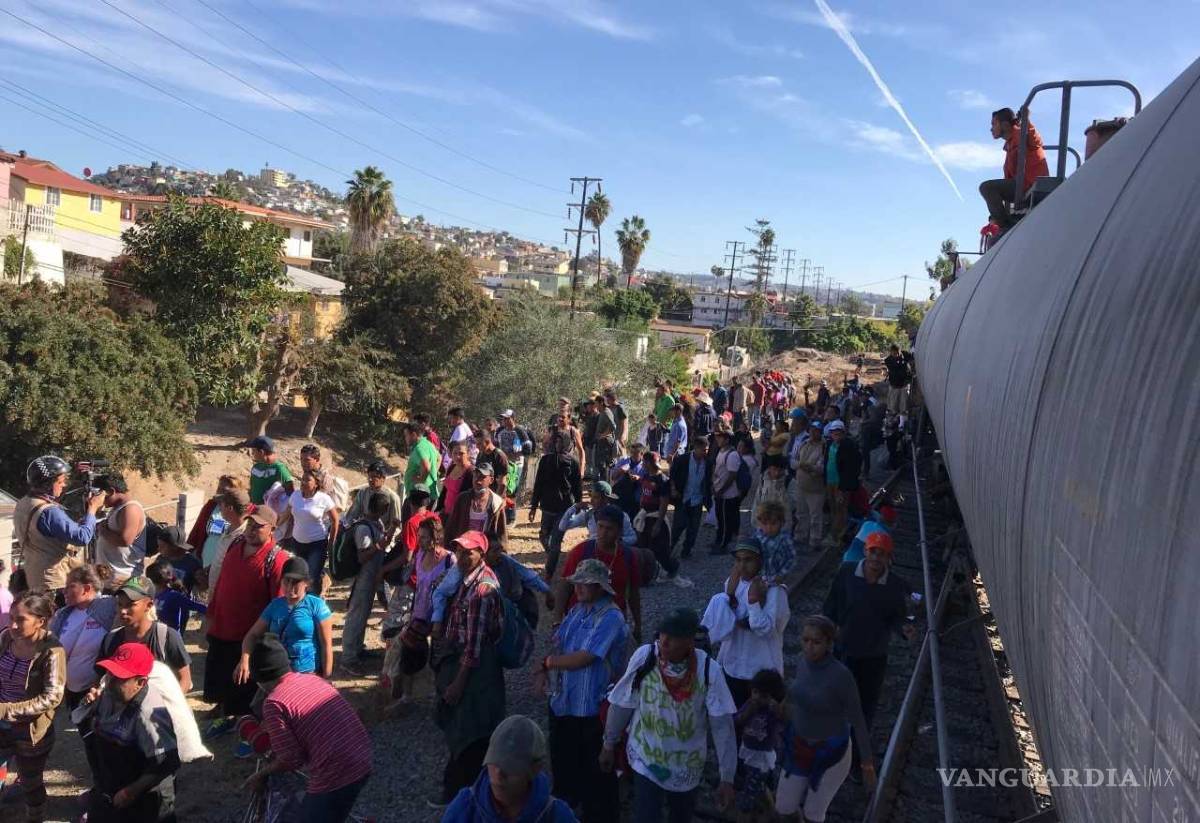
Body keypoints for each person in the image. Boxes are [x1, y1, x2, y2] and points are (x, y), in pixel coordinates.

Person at [602, 607, 737, 822]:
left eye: (673, 638)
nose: (663, 642)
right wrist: (608, 744)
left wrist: (727, 777)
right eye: (662, 634)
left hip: (686, 769)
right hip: (645, 759)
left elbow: (722, 726)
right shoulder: (644, 657)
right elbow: (622, 704)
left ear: (689, 641)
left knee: (680, 817)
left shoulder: (709, 671)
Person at [244, 635, 372, 822]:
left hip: (337, 771)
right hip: (363, 754)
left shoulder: (274, 702)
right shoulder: (313, 680)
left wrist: (262, 774)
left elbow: (291, 759)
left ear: (260, 679)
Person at [536, 560, 626, 822]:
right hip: (565, 702)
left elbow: (586, 657)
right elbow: (559, 643)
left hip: (592, 708)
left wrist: (548, 664)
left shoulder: (611, 617)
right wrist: (543, 671)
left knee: (596, 774)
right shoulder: (577, 611)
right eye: (577, 582)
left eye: (584, 583)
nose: (578, 587)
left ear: (599, 587)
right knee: (565, 764)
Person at [775, 616, 876, 820]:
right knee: (783, 806)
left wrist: (867, 765)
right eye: (805, 640)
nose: (809, 647)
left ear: (829, 644)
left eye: (816, 642)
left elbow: (858, 721)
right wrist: (782, 706)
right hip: (799, 746)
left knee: (814, 812)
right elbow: (797, 691)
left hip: (831, 752)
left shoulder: (841, 676)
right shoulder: (803, 663)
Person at [433, 531, 505, 807]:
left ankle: (467, 796)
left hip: (475, 671)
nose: (463, 557)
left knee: (471, 732)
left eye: (469, 552)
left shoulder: (481, 590)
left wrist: (458, 682)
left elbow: (474, 647)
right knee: (468, 730)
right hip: (468, 664)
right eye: (460, 552)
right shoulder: (467, 580)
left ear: (482, 555)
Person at [203, 505, 289, 737]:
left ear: (272, 529)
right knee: (218, 674)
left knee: (242, 684)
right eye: (250, 524)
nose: (251, 530)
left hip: (247, 636)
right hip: (221, 626)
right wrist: (211, 613)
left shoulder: (276, 559)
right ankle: (223, 710)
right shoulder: (235, 545)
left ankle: (242, 723)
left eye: (258, 526)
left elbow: (278, 604)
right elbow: (221, 583)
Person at [823, 537, 916, 736]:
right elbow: (831, 603)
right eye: (873, 551)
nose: (876, 557)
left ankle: (858, 751)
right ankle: (831, 741)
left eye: (882, 554)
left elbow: (897, 617)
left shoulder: (894, 585)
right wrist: (830, 629)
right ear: (865, 551)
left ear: (889, 558)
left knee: (865, 706)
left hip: (873, 655)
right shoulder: (847, 572)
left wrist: (903, 629)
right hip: (844, 648)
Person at [85, 642, 182, 823]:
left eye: (120, 677)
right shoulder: (109, 692)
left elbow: (167, 761)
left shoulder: (147, 715)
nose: (111, 681)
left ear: (140, 682)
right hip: (112, 785)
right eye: (110, 673)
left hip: (145, 799)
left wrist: (131, 791)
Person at [0, 592, 66, 823]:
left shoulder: (52, 650)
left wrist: (6, 710)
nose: (13, 625)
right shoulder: (5, 638)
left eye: (21, 620)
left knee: (30, 780)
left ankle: (35, 817)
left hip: (30, 732)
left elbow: (52, 697)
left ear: (40, 620)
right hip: (1, 724)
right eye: (11, 618)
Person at [701, 538, 791, 707]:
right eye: (738, 560)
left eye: (748, 560)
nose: (742, 566)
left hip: (762, 671)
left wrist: (753, 601)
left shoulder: (775, 592)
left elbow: (765, 629)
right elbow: (723, 622)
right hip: (733, 666)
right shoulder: (732, 583)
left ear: (761, 561)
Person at [442, 715, 577, 823]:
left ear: (535, 769)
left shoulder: (556, 815)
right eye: (495, 762)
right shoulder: (465, 807)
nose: (499, 774)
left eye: (510, 766)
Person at [14, 455, 104, 597]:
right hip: (56, 583)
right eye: (60, 481)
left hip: (35, 578)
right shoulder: (49, 512)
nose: (64, 485)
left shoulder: (24, 503)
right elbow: (82, 537)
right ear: (48, 484)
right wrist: (92, 510)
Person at [236, 556, 333, 686]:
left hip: (308, 675)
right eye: (286, 581)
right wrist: (245, 658)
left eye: (295, 582)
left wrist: (326, 678)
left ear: (307, 583)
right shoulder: (274, 606)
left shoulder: (317, 606)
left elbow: (326, 645)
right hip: (278, 676)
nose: (290, 586)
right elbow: (252, 635)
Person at [554, 506, 643, 643]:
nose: (603, 533)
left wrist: (638, 625)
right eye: (600, 526)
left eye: (609, 529)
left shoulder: (628, 556)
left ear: (619, 532)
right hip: (580, 619)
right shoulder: (581, 551)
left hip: (612, 621)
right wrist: (557, 621)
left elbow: (633, 593)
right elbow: (565, 585)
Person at [389, 517, 453, 705]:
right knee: (409, 651)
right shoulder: (419, 556)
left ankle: (438, 692)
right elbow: (419, 587)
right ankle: (407, 696)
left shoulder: (449, 560)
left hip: (440, 616)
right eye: (419, 537)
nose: (420, 541)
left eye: (424, 537)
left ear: (436, 538)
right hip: (420, 612)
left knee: (438, 655)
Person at [99, 577, 192, 691]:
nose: (123, 610)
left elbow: (185, 680)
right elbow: (101, 679)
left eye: (130, 604)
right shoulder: (111, 639)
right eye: (120, 604)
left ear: (148, 605)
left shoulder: (166, 637)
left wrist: (166, 705)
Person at [49, 565, 116, 712]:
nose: (64, 591)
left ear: (86, 589)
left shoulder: (108, 607)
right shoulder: (62, 615)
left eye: (70, 586)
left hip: (96, 691)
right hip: (69, 690)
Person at [340, 491, 391, 673]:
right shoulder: (363, 528)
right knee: (356, 615)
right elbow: (363, 556)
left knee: (363, 614)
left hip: (371, 576)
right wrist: (379, 546)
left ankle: (357, 649)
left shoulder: (376, 523)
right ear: (384, 509)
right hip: (363, 576)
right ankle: (348, 658)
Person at [978, 106, 1049, 228]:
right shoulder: (1010, 145)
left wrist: (1026, 120)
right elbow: (1009, 177)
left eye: (994, 124)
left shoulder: (1022, 134)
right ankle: (1005, 224)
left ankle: (1006, 227)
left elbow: (1036, 140)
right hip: (1020, 186)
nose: (991, 129)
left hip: (1030, 183)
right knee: (990, 188)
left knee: (987, 187)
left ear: (1005, 125)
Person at [733, 669, 787, 823]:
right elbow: (736, 720)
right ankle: (773, 812)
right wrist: (748, 712)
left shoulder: (772, 712)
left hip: (761, 758)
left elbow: (784, 723)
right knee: (760, 786)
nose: (757, 697)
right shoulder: (750, 704)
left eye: (763, 695)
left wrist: (778, 711)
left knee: (748, 795)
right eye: (754, 692)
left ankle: (745, 815)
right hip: (748, 752)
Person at [279, 469, 340, 596]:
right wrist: (275, 525)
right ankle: (305, 599)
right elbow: (287, 513)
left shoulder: (324, 499)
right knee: (299, 574)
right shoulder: (295, 496)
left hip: (316, 544)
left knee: (311, 577)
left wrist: (331, 541)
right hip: (297, 542)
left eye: (308, 480)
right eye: (302, 479)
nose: (303, 482)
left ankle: (313, 605)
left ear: (316, 483)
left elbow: (335, 520)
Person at [635, 452, 691, 589]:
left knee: (660, 549)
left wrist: (658, 524)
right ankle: (647, 575)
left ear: (649, 462)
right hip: (645, 516)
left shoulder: (662, 480)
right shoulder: (646, 476)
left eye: (645, 461)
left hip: (655, 518)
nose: (643, 464)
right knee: (643, 547)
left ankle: (672, 568)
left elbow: (664, 503)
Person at [528, 448, 582, 578]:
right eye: (556, 443)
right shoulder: (545, 461)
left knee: (555, 542)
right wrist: (534, 506)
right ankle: (553, 554)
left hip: (564, 508)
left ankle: (549, 571)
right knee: (543, 536)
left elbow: (577, 485)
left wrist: (578, 504)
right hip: (547, 507)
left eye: (561, 443)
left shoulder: (573, 462)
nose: (558, 446)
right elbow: (538, 483)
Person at [94, 473, 147, 589]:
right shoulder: (117, 508)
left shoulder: (130, 508)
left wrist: (103, 530)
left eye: (100, 495)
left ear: (111, 491)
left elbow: (125, 540)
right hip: (110, 580)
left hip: (124, 580)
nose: (99, 499)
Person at [197, 488, 251, 595]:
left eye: (221, 505)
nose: (219, 508)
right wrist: (210, 569)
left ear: (230, 508)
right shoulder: (230, 527)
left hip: (227, 594)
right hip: (215, 592)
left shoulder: (244, 537)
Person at [184, 475, 245, 570]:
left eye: (224, 490)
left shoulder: (242, 513)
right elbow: (197, 528)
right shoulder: (211, 505)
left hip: (224, 565)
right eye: (219, 488)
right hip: (203, 560)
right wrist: (189, 550)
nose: (219, 492)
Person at [669, 436, 712, 560]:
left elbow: (708, 481)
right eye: (704, 450)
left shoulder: (708, 463)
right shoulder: (682, 460)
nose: (706, 452)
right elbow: (672, 476)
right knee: (678, 526)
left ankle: (686, 551)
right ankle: (670, 548)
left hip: (697, 500)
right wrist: (673, 489)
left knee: (693, 528)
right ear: (696, 448)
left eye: (707, 450)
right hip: (683, 498)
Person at [446, 464, 507, 544]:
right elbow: (451, 526)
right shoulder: (462, 499)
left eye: (482, 477)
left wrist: (499, 551)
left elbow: (501, 533)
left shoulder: (496, 502)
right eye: (475, 476)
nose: (477, 480)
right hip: (463, 547)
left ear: (491, 480)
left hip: (484, 549)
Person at [347, 461, 403, 547]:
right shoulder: (363, 493)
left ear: (383, 478)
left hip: (382, 541)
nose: (370, 479)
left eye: (374, 477)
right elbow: (352, 515)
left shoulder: (392, 498)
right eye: (369, 476)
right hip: (363, 535)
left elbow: (396, 526)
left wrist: (387, 543)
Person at [823, 420, 861, 546]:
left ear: (843, 432)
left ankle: (836, 536)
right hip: (830, 481)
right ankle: (837, 531)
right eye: (834, 432)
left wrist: (842, 488)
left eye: (838, 432)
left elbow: (850, 469)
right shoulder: (830, 444)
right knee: (833, 508)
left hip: (841, 484)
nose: (836, 434)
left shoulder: (849, 446)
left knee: (841, 509)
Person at [145, 559, 206, 634]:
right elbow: (199, 607)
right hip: (163, 635)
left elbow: (200, 607)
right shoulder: (171, 595)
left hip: (167, 637)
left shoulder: (173, 596)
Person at [792, 420, 826, 549]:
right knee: (801, 513)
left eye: (816, 430)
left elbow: (820, 468)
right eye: (811, 429)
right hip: (801, 484)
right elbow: (794, 461)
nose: (813, 432)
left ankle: (815, 540)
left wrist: (806, 466)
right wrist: (803, 466)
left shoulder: (824, 447)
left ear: (820, 432)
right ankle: (800, 536)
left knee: (815, 516)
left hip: (816, 488)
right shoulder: (804, 443)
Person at [711, 427, 744, 555]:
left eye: (720, 437)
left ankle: (724, 544)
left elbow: (732, 476)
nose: (717, 439)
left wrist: (722, 490)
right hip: (719, 492)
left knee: (726, 520)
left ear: (726, 439)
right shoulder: (721, 451)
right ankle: (718, 541)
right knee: (720, 519)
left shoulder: (732, 455)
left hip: (728, 495)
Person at [753, 499, 795, 583]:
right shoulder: (757, 535)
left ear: (782, 522)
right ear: (759, 523)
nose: (769, 528)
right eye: (765, 524)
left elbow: (791, 559)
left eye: (773, 523)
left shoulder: (784, 539)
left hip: (776, 578)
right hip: (759, 577)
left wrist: (781, 574)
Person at [244, 436, 294, 505]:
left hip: (270, 512)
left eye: (254, 451)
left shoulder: (279, 468)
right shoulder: (256, 467)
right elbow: (252, 489)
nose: (252, 453)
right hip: (254, 508)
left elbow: (291, 492)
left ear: (261, 452)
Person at [299, 444, 350, 511]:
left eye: (307, 460)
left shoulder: (325, 478)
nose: (302, 463)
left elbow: (322, 504)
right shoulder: (307, 472)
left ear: (317, 459)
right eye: (301, 459)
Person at [154, 525, 203, 595]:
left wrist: (202, 580)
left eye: (162, 546)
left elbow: (202, 589)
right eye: (158, 546)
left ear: (174, 547)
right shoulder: (160, 560)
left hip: (181, 603)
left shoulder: (193, 563)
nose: (158, 549)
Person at [438, 444, 475, 518]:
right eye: (455, 453)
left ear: (468, 454)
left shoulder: (471, 472)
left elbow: (471, 497)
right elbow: (445, 491)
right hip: (446, 513)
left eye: (461, 453)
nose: (458, 456)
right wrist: (439, 508)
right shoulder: (451, 468)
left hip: (460, 516)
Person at [883, 344, 911, 416]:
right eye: (894, 353)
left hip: (904, 384)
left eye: (898, 353)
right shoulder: (888, 360)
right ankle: (893, 415)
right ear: (891, 352)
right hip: (894, 384)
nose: (897, 355)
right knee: (893, 404)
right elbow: (888, 369)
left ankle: (903, 417)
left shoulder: (905, 355)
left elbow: (911, 361)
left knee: (904, 404)